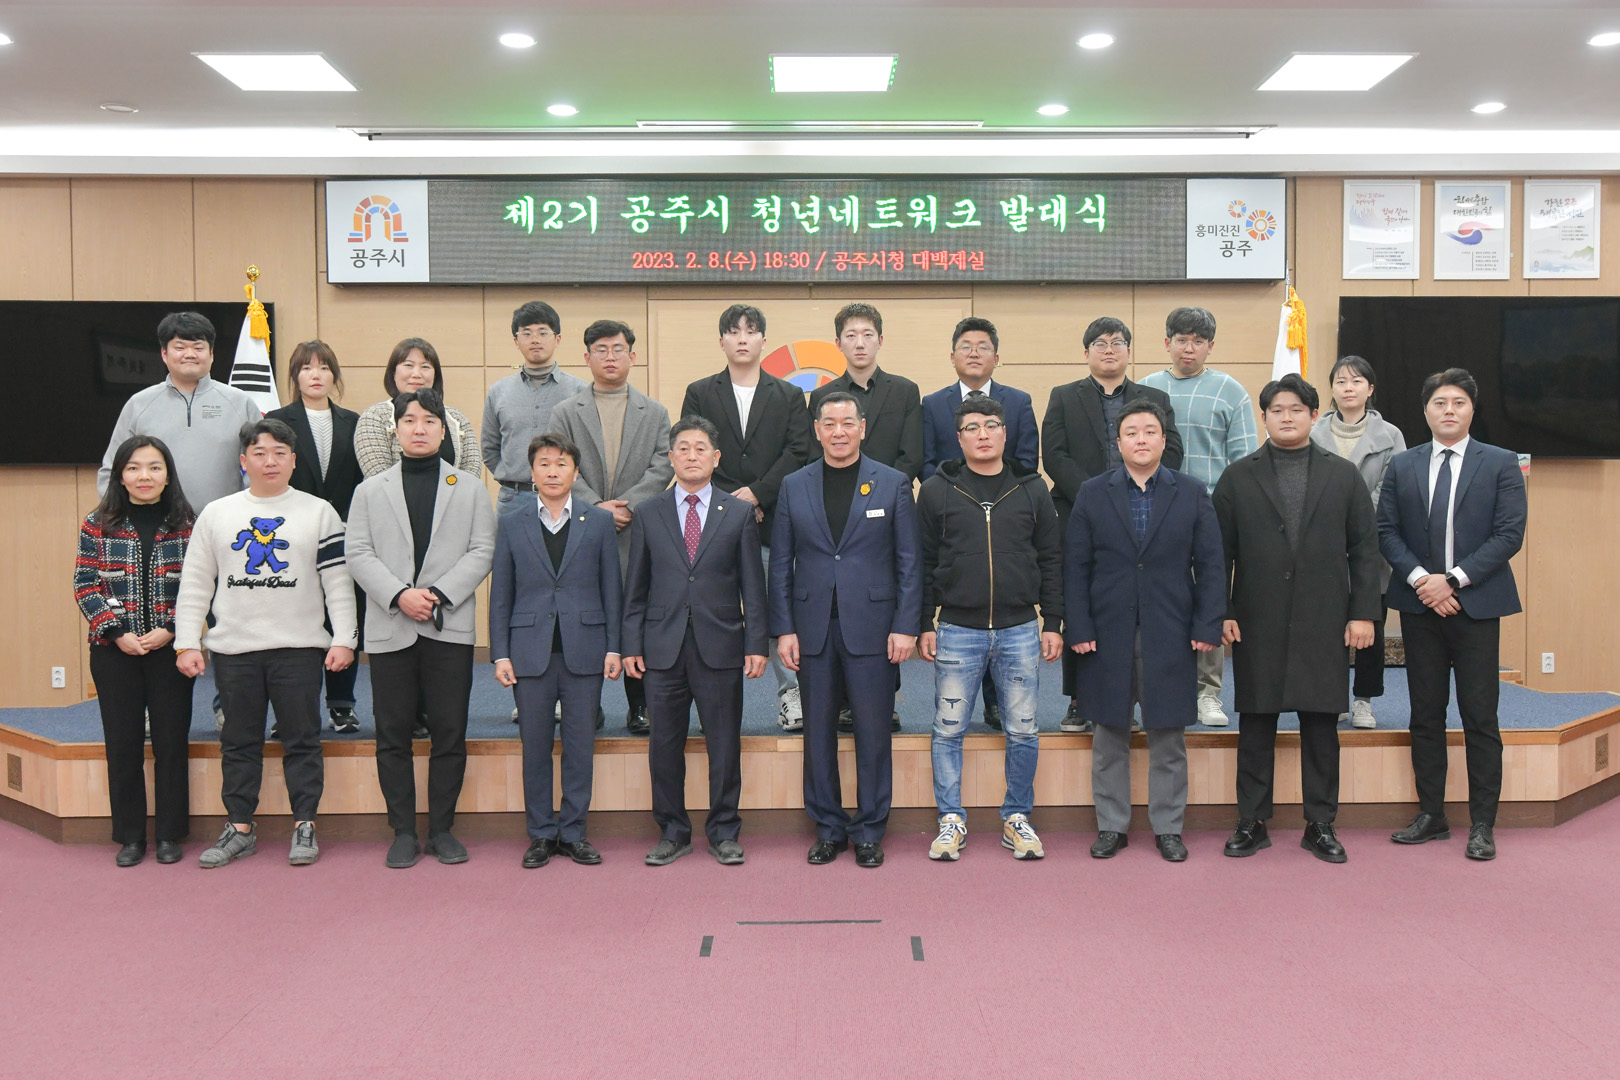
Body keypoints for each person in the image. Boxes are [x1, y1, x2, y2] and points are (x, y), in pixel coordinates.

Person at [173, 418, 358, 868]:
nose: (269, 461)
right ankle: (239, 827)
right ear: (244, 461)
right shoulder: (216, 514)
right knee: (238, 743)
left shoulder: (320, 512)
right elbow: (195, 583)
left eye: (279, 453)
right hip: (234, 651)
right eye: (259, 453)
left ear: (293, 461)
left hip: (299, 648)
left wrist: (345, 639)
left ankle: (305, 824)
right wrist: (187, 642)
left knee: (302, 740)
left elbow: (339, 584)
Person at [1213, 374, 1380, 864]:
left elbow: (1364, 551)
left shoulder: (1342, 475)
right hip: (1256, 617)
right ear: (1264, 417)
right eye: (1276, 410)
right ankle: (1252, 820)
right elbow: (1217, 554)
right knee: (1256, 721)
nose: (1286, 417)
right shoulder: (1237, 477)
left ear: (1313, 415)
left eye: (1296, 409)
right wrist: (1222, 610)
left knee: (1322, 724)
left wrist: (1363, 613)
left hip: (1324, 617)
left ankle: (1320, 823)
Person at [1066, 400, 1224, 862]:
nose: (1141, 439)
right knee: (1108, 733)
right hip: (1106, 630)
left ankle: (1168, 828)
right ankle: (1111, 826)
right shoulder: (1092, 493)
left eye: (1149, 431)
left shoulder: (1191, 492)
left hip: (1171, 629)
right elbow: (1075, 566)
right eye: (1131, 432)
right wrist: (1078, 625)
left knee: (1168, 734)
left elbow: (1211, 565)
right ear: (1118, 443)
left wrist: (1208, 624)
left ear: (1163, 440)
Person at [770, 392, 923, 868]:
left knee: (873, 733)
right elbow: (780, 563)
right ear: (817, 430)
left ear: (862, 428)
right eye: (830, 423)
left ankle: (870, 830)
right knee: (817, 734)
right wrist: (784, 629)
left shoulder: (893, 483)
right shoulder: (793, 485)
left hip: (875, 628)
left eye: (848, 422)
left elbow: (909, 562)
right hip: (812, 628)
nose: (839, 431)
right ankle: (829, 828)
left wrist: (905, 626)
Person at [1379, 368, 1526, 861]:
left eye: (1458, 402)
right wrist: (1424, 581)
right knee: (1425, 714)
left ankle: (1482, 824)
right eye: (1439, 402)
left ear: (1471, 409)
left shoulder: (1500, 462)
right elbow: (1386, 531)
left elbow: (1509, 534)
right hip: (1420, 606)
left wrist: (1454, 580)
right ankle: (1431, 815)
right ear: (1425, 410)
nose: (1448, 410)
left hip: (1476, 606)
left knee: (1480, 716)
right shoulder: (1402, 465)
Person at [346, 389, 496, 869]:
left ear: (443, 430)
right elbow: (358, 553)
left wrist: (438, 593)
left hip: (447, 625)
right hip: (391, 625)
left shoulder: (468, 487)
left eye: (429, 420)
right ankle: (404, 831)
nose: (419, 428)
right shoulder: (370, 490)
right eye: (409, 420)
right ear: (396, 429)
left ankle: (443, 830)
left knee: (450, 731)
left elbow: (482, 550)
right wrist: (399, 594)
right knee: (392, 733)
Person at [917, 396, 1064, 862]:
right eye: (972, 427)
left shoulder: (1032, 489)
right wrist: (923, 622)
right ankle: (950, 819)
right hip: (957, 628)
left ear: (1005, 432)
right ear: (958, 438)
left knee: (1023, 729)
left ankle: (1017, 817)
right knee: (948, 730)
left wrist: (1053, 621)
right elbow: (922, 562)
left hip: (1020, 628)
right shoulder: (937, 491)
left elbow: (1052, 559)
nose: (983, 434)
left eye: (992, 425)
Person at [622, 416, 768, 867]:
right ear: (671, 457)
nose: (691, 455)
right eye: (683, 448)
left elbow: (753, 586)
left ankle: (724, 831)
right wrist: (631, 645)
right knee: (664, 745)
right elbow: (636, 588)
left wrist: (756, 644)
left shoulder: (738, 513)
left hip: (720, 644)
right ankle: (673, 831)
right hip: (661, 647)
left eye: (700, 448)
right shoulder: (648, 512)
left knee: (723, 743)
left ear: (715, 457)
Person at [1043, 315, 1185, 734]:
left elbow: (1172, 450)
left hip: (1144, 516)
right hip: (1080, 513)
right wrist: (1097, 497)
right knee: (1080, 604)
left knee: (1136, 608)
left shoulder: (1154, 397)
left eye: (1117, 342)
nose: (1109, 350)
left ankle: (1135, 699)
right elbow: (1054, 455)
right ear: (1086, 352)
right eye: (1100, 343)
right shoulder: (1064, 396)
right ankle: (1078, 700)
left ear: (1129, 351)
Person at [490, 433, 623, 869]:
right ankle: (542, 834)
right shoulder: (512, 523)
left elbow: (612, 589)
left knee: (580, 746)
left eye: (561, 464)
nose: (552, 471)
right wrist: (500, 653)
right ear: (532, 472)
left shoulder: (597, 522)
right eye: (544, 464)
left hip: (585, 650)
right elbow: (501, 593)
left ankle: (574, 832)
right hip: (529, 653)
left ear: (575, 472)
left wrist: (614, 647)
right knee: (535, 747)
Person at [680, 305, 811, 732]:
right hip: (714, 518)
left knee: (778, 608)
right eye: (733, 332)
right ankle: (710, 700)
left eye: (750, 331)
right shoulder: (700, 392)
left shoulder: (788, 394)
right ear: (721, 341)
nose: (742, 338)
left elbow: (798, 451)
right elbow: (695, 448)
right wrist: (733, 502)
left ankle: (791, 694)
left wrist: (757, 493)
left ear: (763, 341)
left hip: (772, 517)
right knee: (712, 609)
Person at [74, 436, 197, 866]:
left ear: (167, 475)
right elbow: (85, 584)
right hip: (114, 652)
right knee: (122, 743)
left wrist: (171, 630)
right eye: (134, 468)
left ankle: (169, 834)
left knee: (171, 742)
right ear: (121, 476)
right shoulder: (98, 523)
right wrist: (116, 632)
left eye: (154, 467)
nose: (144, 476)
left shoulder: (188, 523)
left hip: (170, 650)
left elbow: (201, 585)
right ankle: (129, 836)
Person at [549, 319, 672, 735]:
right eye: (600, 350)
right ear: (587, 358)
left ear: (632, 356)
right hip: (582, 528)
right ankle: (587, 705)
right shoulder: (565, 412)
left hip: (637, 529)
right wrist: (598, 508)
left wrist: (627, 506)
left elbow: (662, 465)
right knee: (586, 617)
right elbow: (559, 464)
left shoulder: (655, 412)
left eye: (618, 349)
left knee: (638, 616)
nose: (610, 357)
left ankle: (640, 706)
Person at [1140, 306, 1259, 728]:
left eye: (1198, 341)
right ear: (1166, 343)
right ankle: (1162, 687)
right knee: (1160, 603)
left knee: (1209, 600)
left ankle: (1208, 693)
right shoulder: (1147, 388)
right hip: (1153, 515)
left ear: (1210, 346)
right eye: (1181, 340)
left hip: (1210, 513)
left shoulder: (1231, 391)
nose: (1188, 348)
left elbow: (1243, 462)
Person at [920, 316, 1040, 731]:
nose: (974, 353)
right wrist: (952, 494)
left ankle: (996, 703)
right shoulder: (932, 403)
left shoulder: (1019, 401)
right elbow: (926, 460)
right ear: (952, 355)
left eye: (983, 346)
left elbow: (1027, 459)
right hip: (953, 514)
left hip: (1006, 508)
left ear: (997, 357)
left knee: (1003, 610)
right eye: (966, 346)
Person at [808, 302, 923, 735]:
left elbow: (912, 454)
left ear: (880, 340)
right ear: (838, 342)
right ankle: (841, 702)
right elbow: (815, 456)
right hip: (836, 516)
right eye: (851, 335)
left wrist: (885, 494)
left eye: (868, 334)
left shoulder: (904, 390)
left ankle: (882, 700)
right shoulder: (823, 396)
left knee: (883, 603)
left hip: (888, 512)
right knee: (840, 607)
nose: (860, 342)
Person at [266, 340, 366, 733]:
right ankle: (291, 710)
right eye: (307, 368)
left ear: (334, 375)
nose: (316, 375)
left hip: (344, 535)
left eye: (324, 367)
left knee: (344, 616)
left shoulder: (354, 422)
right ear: (295, 375)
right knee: (295, 623)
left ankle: (342, 704)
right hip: (292, 536)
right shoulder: (276, 421)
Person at [1310, 355, 1407, 729]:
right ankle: (1332, 696)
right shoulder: (1314, 432)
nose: (1348, 388)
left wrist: (1354, 517)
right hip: (1321, 545)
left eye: (1356, 381)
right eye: (1340, 381)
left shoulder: (1390, 435)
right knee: (1326, 628)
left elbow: (1392, 487)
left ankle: (1364, 699)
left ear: (1370, 388)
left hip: (1371, 545)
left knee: (1371, 627)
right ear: (1332, 389)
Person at [97, 311, 261, 511]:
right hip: (157, 524)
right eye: (180, 347)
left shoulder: (241, 403)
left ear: (211, 354)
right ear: (164, 354)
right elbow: (111, 470)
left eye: (198, 347)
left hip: (225, 522)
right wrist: (129, 518)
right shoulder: (139, 404)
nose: (189, 354)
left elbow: (260, 467)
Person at [481, 300, 588, 517]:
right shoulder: (499, 391)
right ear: (516, 341)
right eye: (527, 333)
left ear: (558, 339)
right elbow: (489, 448)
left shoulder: (580, 391)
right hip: (514, 499)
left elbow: (587, 449)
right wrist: (513, 474)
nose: (535, 340)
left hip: (567, 497)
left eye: (543, 332)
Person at [354, 338, 482, 478]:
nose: (416, 374)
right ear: (393, 372)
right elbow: (378, 476)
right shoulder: (375, 416)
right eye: (408, 365)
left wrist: (454, 492)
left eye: (425, 367)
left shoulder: (456, 418)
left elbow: (472, 470)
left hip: (454, 492)